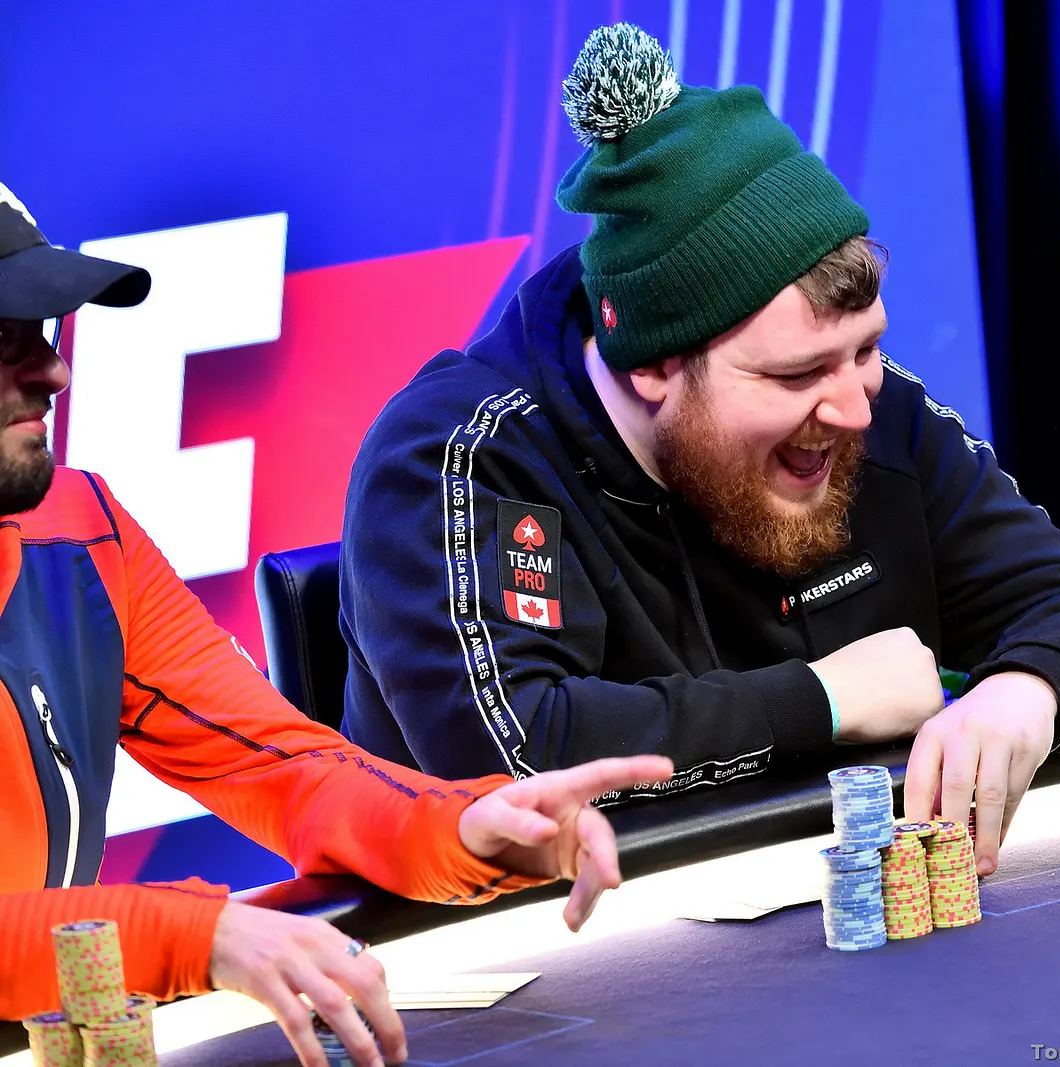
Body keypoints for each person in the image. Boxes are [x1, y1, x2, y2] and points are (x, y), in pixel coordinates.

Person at [341, 25, 1060, 879]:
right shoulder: (458, 460)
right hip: (534, 944)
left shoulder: (873, 411)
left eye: (865, 348)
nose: (853, 407)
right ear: (654, 366)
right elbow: (515, 760)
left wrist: (1029, 688)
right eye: (797, 373)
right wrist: (824, 699)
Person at [0, 183, 673, 1067]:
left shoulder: (78, 524)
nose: (53, 372)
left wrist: (463, 826)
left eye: (44, 333)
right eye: (5, 341)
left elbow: (280, 764)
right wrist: (199, 933)